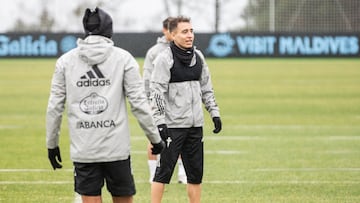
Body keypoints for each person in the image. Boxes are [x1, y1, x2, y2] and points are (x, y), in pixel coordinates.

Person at [46, 7, 165, 203]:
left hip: (84, 148)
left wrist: (52, 144)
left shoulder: (64, 62)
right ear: (109, 30)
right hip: (116, 149)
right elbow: (139, 103)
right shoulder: (124, 58)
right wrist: (155, 138)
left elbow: (54, 107)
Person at [149, 16, 222, 203]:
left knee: (195, 175)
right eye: (184, 31)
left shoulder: (199, 57)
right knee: (163, 173)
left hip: (195, 125)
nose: (190, 35)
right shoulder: (164, 59)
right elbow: (156, 92)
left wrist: (214, 113)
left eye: (191, 31)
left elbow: (206, 88)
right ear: (172, 35)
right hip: (172, 126)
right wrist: (159, 122)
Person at [143, 16, 187, 184]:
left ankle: (183, 174)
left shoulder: (183, 49)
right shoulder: (154, 52)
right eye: (170, 29)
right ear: (165, 30)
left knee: (181, 136)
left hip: (177, 102)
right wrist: (149, 100)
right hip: (158, 101)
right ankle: (153, 174)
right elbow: (147, 78)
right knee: (155, 137)